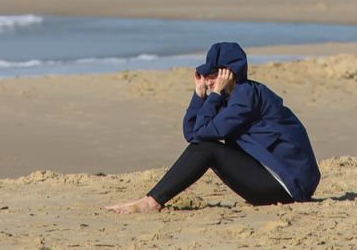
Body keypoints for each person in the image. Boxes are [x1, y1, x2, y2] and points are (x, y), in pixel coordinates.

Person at [106, 42, 320, 213]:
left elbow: (201, 137)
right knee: (205, 146)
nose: (208, 81)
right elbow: (192, 134)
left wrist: (214, 95)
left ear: (229, 74)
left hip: (288, 186)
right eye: (206, 76)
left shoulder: (245, 96)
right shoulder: (231, 96)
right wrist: (199, 96)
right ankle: (151, 199)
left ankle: (151, 202)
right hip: (274, 180)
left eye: (213, 75)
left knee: (208, 149)